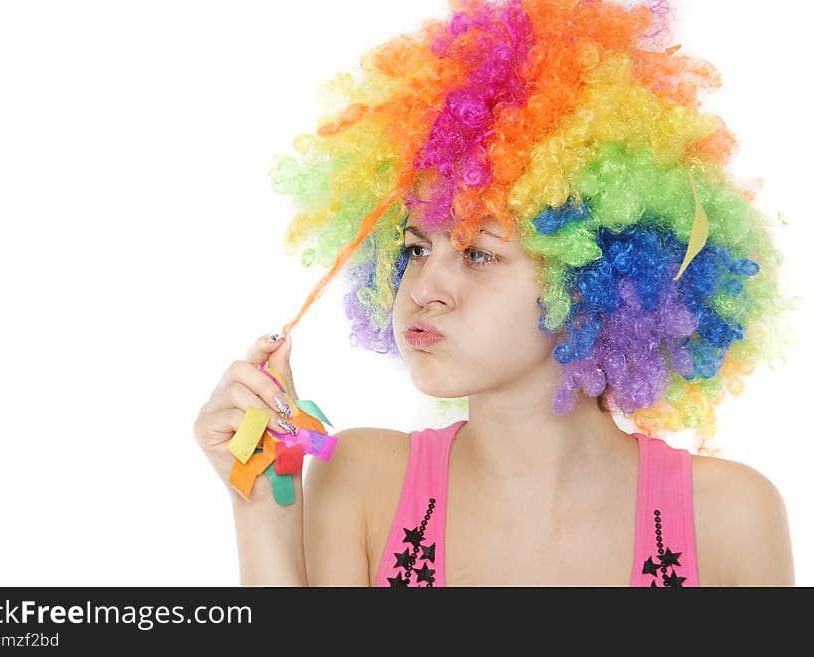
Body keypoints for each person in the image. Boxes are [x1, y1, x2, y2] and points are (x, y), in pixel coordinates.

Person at [193, 0, 796, 586]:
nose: (424, 289)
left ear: (595, 283)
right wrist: (262, 511)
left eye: (479, 253)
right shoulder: (363, 481)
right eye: (413, 248)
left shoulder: (731, 516)